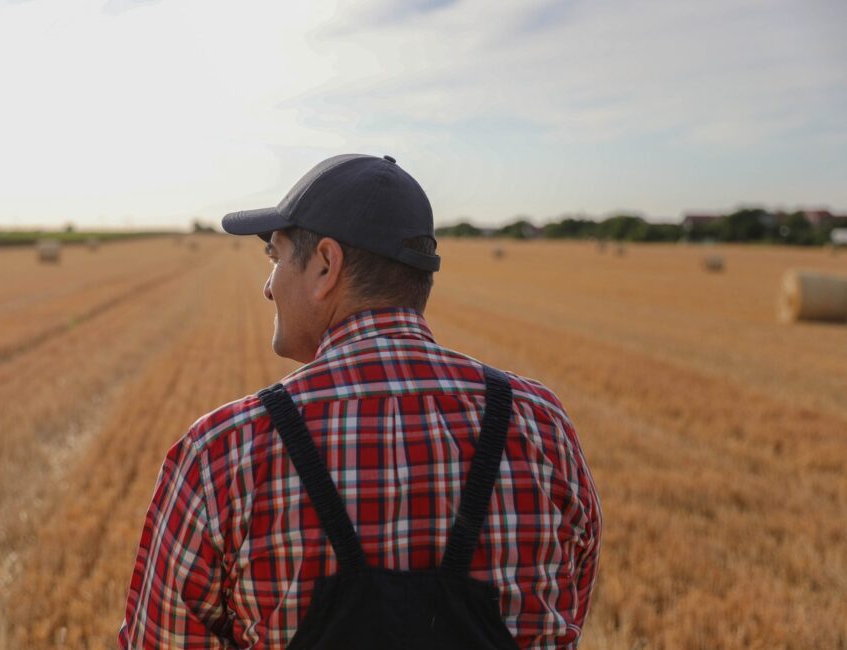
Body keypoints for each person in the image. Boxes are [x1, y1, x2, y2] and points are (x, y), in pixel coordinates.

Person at [119, 154, 601, 648]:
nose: (269, 287)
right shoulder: (541, 426)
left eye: (275, 258)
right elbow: (572, 602)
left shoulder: (225, 453)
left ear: (326, 265)